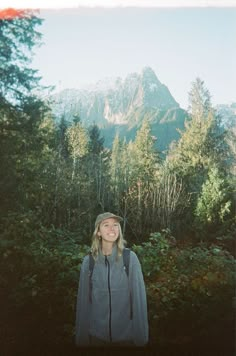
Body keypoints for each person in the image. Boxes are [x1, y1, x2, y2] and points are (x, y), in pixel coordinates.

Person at [75, 212, 149, 347]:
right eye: (106, 225)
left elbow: (139, 300)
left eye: (115, 225)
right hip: (96, 338)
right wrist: (81, 340)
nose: (112, 229)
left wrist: (140, 337)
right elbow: (83, 302)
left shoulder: (130, 259)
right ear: (98, 232)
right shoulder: (89, 262)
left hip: (126, 338)